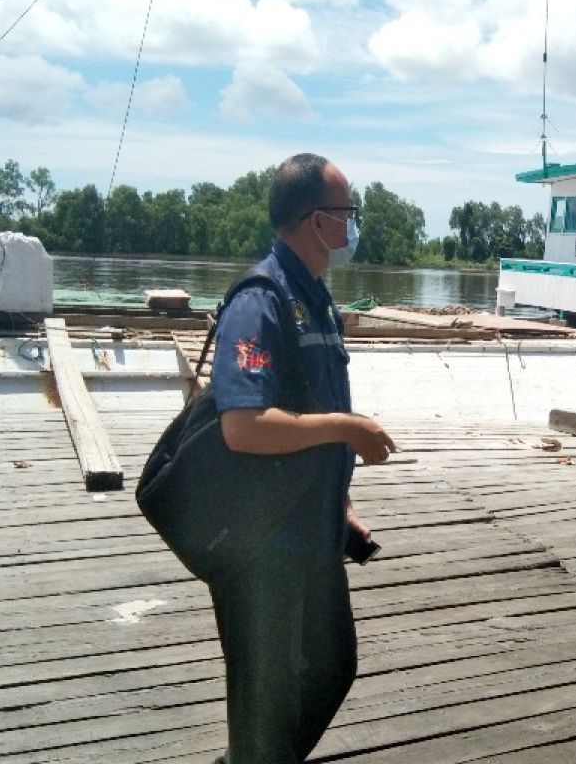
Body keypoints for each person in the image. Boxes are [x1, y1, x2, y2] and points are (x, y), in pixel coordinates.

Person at [208, 153, 396, 762]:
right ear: (318, 221)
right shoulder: (261, 300)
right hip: (264, 543)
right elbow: (243, 425)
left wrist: (339, 506)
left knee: (330, 669)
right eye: (348, 212)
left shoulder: (316, 298)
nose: (353, 224)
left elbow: (306, 407)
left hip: (312, 530)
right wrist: (348, 428)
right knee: (266, 701)